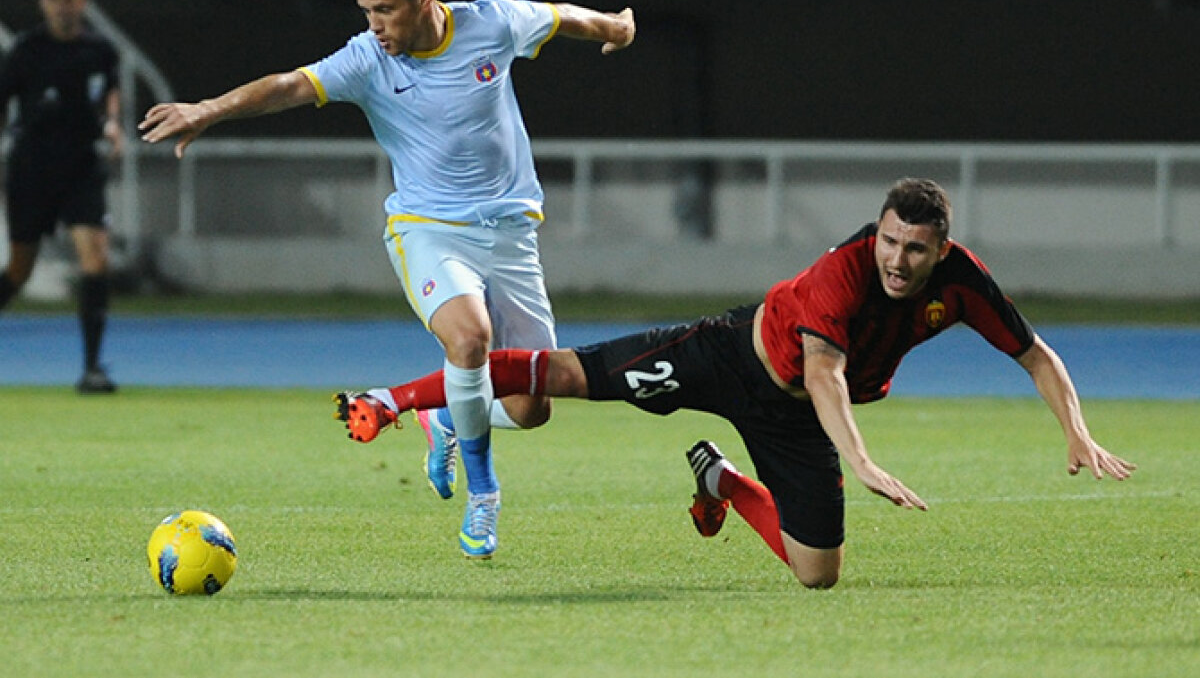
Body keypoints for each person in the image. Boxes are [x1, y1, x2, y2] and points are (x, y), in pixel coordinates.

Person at [336, 177, 1136, 586]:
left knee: (817, 574)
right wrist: (859, 461)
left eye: (914, 250)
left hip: (790, 419)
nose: (897, 258)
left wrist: (1076, 428)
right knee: (572, 375)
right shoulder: (844, 274)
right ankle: (397, 397)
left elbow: (1037, 354)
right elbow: (824, 372)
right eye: (890, 240)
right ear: (878, 230)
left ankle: (717, 474)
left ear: (941, 250)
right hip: (728, 355)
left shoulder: (963, 283)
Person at [139, 0, 636, 560]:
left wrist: (614, 27)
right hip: (428, 229)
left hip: (510, 235)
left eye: (386, 10)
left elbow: (562, 17)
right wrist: (208, 109)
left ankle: (449, 415)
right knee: (469, 338)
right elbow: (289, 85)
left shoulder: (492, 23)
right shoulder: (368, 60)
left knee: (532, 406)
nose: (375, 26)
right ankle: (484, 495)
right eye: (366, 11)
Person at [0, 0, 124, 393]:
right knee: (19, 271)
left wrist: (113, 124)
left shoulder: (101, 50)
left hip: (81, 169)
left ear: (83, 2)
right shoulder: (25, 51)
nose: (63, 7)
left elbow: (110, 92)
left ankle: (92, 369)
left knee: (96, 260)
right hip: (32, 168)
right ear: (43, 3)